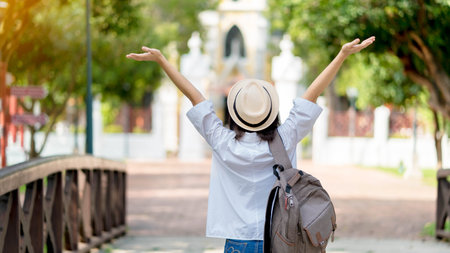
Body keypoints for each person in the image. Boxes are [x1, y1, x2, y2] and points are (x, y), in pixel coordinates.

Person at [126, 36, 375, 253]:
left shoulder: (222, 141)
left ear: (234, 113)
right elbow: (312, 94)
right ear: (271, 112)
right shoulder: (286, 137)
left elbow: (195, 97)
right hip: (281, 238)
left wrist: (162, 61)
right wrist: (341, 56)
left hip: (239, 241)